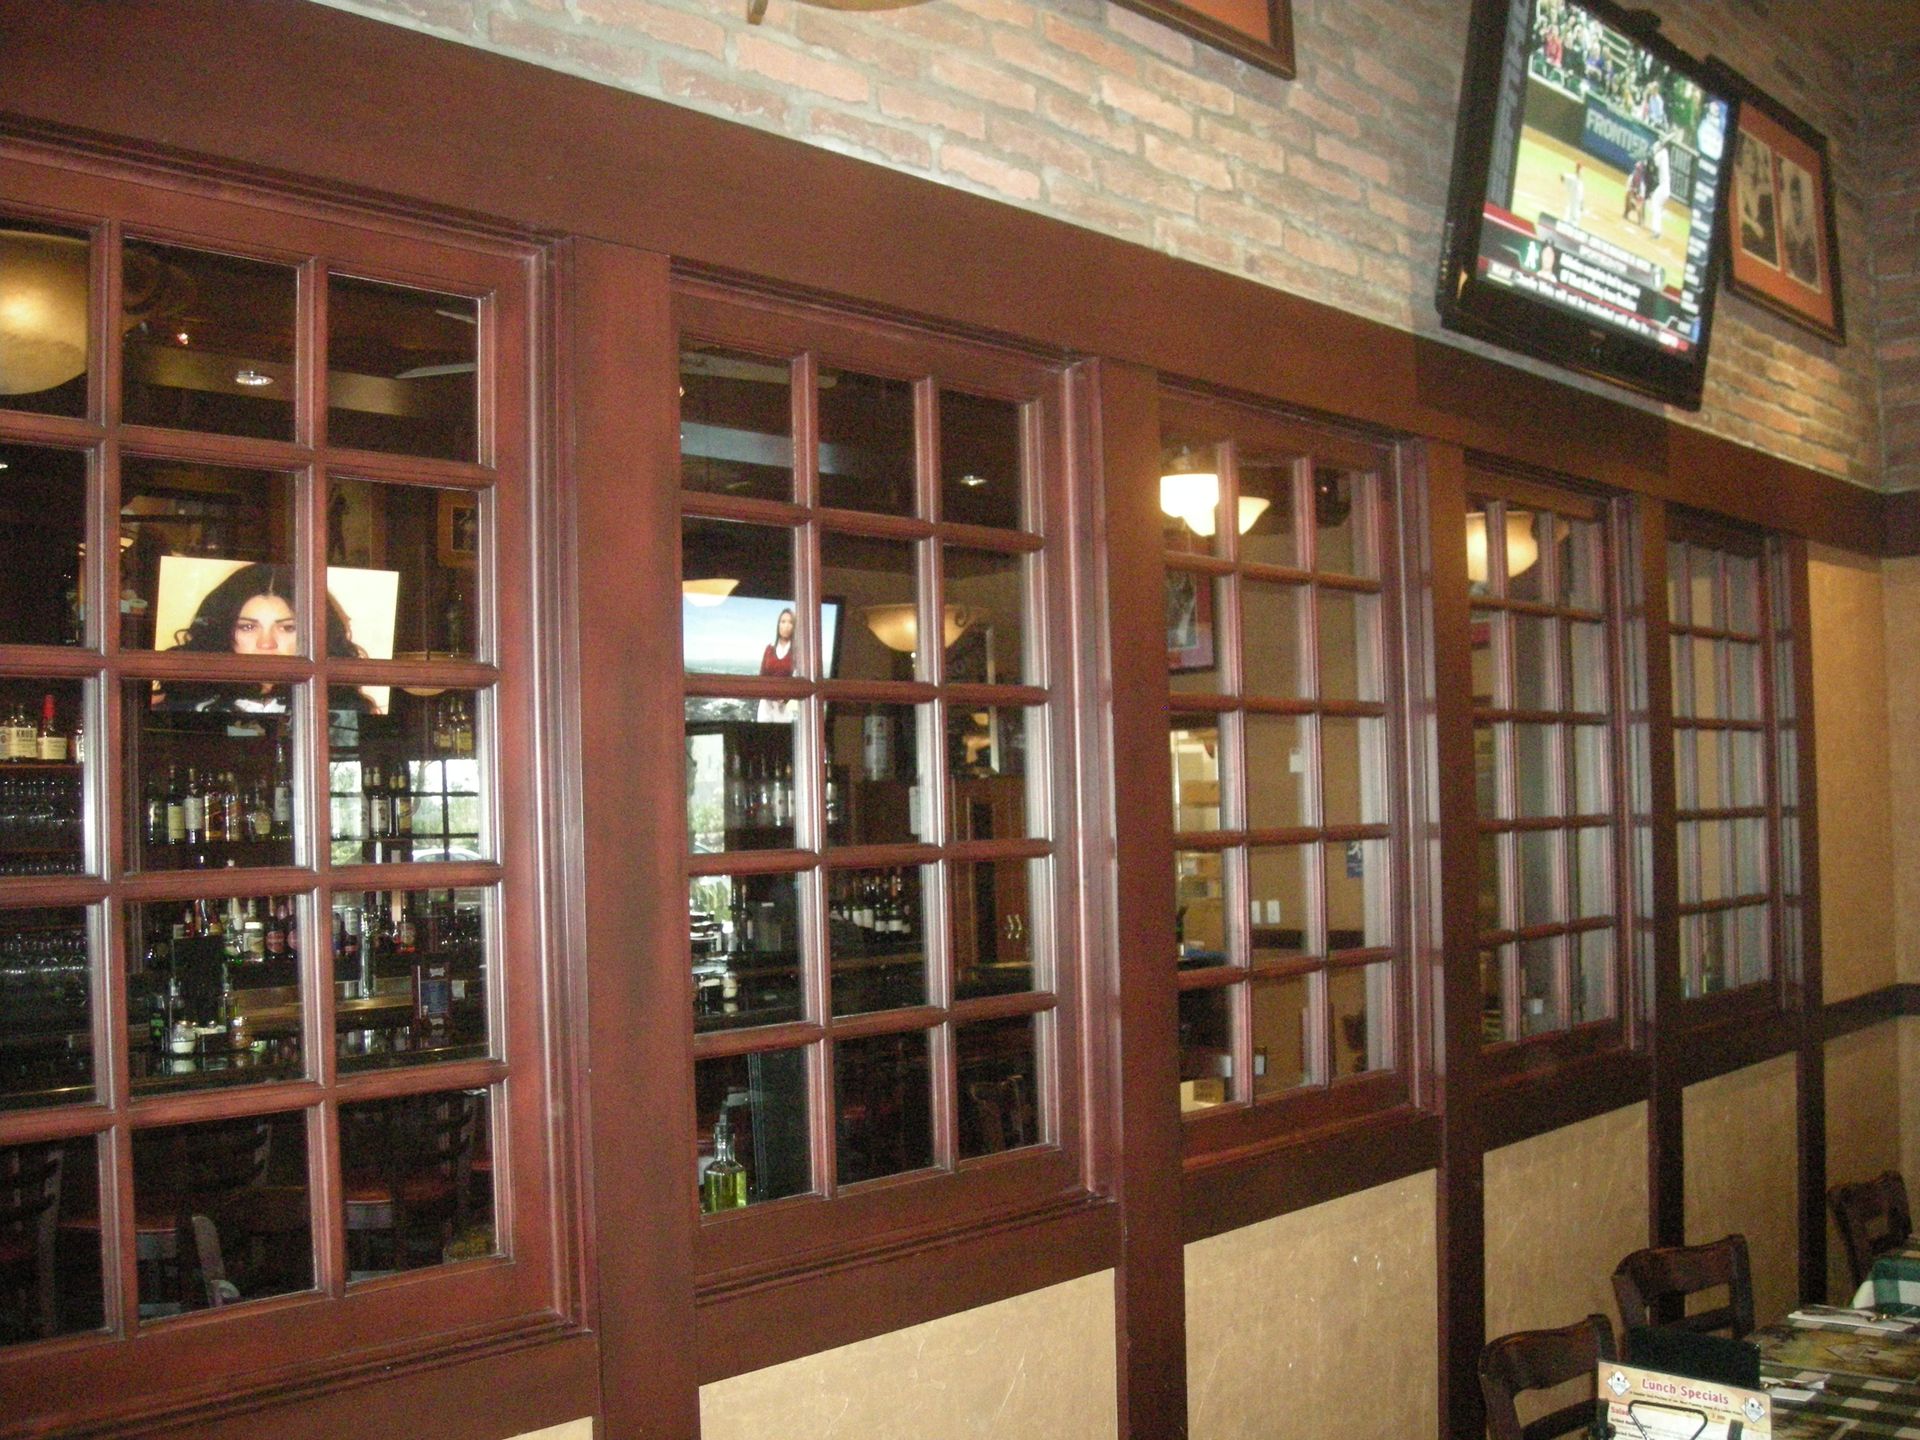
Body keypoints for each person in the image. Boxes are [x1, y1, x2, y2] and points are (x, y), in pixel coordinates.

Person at [165, 562, 365, 713]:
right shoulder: (182, 704)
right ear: (221, 631)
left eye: (287, 628)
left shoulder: (345, 707)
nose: (266, 643)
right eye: (248, 627)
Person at [755, 607, 797, 723]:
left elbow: (798, 680)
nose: (786, 626)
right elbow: (762, 675)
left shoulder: (797, 652)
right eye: (783, 622)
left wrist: (786, 698)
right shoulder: (769, 648)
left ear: (794, 627)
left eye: (790, 622)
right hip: (766, 704)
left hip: (783, 707)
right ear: (778, 624)